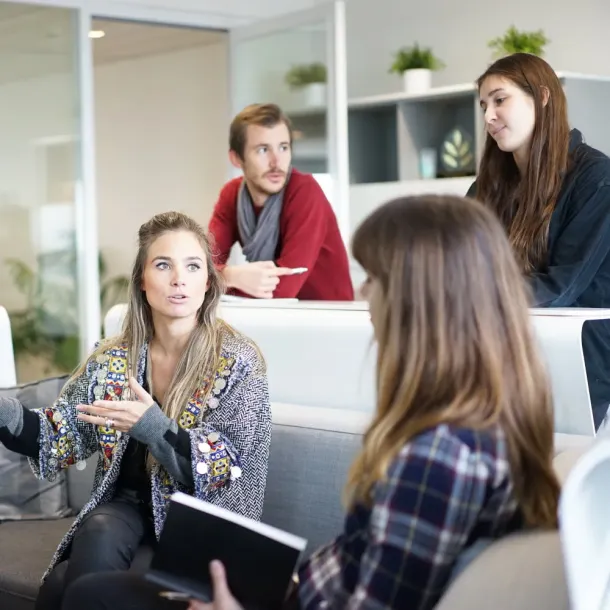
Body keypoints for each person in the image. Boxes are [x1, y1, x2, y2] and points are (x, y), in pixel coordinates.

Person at [60, 195, 560, 610]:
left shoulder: (439, 457)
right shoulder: (472, 426)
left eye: (376, 278)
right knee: (87, 588)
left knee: (93, 598)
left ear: (420, 300)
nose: (364, 293)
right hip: (297, 591)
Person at [0, 211, 272, 610]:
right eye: (163, 265)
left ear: (208, 282)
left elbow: (225, 468)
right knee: (99, 529)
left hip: (199, 525)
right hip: (126, 510)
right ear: (142, 281)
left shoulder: (238, 361)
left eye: (192, 266)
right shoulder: (113, 359)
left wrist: (152, 426)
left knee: (62, 585)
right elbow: (55, 436)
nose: (179, 278)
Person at [467, 52, 610, 429]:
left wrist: (472, 296)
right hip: (505, 348)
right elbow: (458, 264)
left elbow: (561, 287)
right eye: (484, 105)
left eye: (500, 100)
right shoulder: (486, 187)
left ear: (542, 97)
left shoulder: (597, 178)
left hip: (581, 359)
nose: (488, 117)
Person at [207, 103, 354, 301]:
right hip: (275, 317)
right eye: (262, 150)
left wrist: (220, 279)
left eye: (283, 148)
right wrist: (232, 275)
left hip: (327, 319)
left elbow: (283, 290)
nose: (276, 162)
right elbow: (200, 269)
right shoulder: (231, 195)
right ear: (236, 159)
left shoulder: (305, 191)